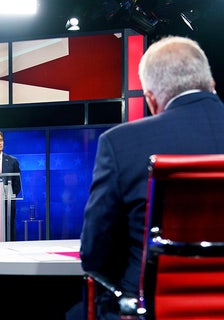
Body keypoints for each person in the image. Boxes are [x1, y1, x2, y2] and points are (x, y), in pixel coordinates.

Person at [67, 36, 224, 319]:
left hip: (151, 309)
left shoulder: (121, 143)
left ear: (150, 98)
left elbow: (94, 255)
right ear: (211, 83)